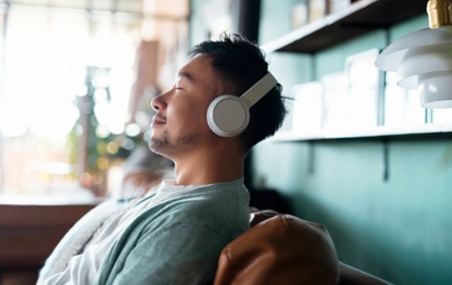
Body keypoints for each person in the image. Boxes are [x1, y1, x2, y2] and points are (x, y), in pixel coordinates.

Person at [37, 33, 287, 285]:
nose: (157, 101)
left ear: (226, 115)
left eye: (180, 88)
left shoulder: (194, 222)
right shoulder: (175, 196)